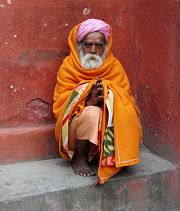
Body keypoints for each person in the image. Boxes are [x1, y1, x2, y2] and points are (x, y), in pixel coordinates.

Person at [53, 19, 142, 184]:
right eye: (88, 44)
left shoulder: (114, 66)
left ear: (105, 47)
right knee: (92, 113)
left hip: (105, 130)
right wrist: (87, 101)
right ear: (79, 45)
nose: (93, 50)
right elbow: (60, 107)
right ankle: (79, 158)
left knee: (118, 108)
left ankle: (109, 156)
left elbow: (128, 101)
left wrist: (108, 98)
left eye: (99, 45)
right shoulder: (68, 67)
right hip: (74, 133)